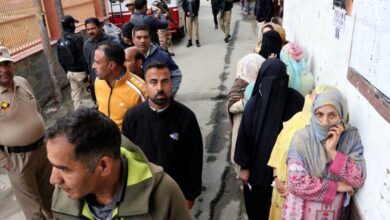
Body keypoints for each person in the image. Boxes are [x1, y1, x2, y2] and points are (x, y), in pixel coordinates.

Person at [46, 108, 191, 220]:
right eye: (53, 165)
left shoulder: (162, 194)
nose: (53, 180)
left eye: (63, 169)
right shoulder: (64, 195)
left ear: (103, 166)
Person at [122, 62, 203, 209]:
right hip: (143, 193)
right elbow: (127, 157)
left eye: (165, 81)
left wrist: (190, 195)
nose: (159, 88)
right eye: (153, 82)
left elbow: (194, 159)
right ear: (145, 85)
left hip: (175, 194)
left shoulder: (186, 117)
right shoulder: (132, 118)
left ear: (171, 83)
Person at [234, 58, 304, 220]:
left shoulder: (296, 102)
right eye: (271, 82)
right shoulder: (253, 105)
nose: (275, 88)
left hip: (285, 176)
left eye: (280, 82)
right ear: (261, 80)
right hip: (257, 173)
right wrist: (244, 167)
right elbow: (244, 138)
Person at [283, 89, 366, 219]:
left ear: (342, 115)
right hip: (301, 213)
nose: (325, 122)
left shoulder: (350, 138)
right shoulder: (301, 139)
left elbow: (357, 179)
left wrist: (333, 152)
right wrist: (337, 186)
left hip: (335, 213)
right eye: (319, 114)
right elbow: (295, 183)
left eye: (332, 115)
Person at [267, 86, 337, 220]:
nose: (308, 96)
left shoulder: (325, 138)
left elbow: (320, 175)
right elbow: (278, 146)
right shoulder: (297, 118)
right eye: (310, 92)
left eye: (313, 95)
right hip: (280, 191)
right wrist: (276, 177)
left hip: (300, 204)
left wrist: (293, 190)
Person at [0, 46, 53, 219]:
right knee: (34, 210)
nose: (4, 70)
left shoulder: (22, 82)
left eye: (7, 64)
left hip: (42, 150)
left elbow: (36, 109)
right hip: (17, 160)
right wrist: (4, 161)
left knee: (53, 198)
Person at [93, 42, 147, 129]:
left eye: (97, 62)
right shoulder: (98, 81)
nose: (93, 66)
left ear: (112, 65)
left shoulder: (140, 90)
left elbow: (147, 124)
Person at [227, 53, 265, 176]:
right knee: (241, 148)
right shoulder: (240, 84)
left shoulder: (259, 85)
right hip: (241, 123)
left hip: (250, 126)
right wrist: (246, 103)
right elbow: (232, 105)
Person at [133, 25, 182, 96]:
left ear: (150, 38)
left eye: (145, 37)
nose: (142, 41)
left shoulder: (163, 56)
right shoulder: (128, 57)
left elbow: (176, 75)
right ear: (133, 39)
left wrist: (169, 95)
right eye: (139, 37)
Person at [57, 15, 86, 110]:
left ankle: (78, 118)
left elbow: (60, 60)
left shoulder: (59, 41)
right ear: (71, 24)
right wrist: (88, 72)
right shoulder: (77, 38)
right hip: (81, 73)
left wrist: (67, 71)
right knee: (94, 92)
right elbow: (82, 56)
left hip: (70, 73)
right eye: (74, 23)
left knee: (76, 97)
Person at [83, 17, 115, 102]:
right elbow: (87, 62)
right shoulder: (87, 45)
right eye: (88, 29)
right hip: (96, 81)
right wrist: (89, 75)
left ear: (100, 27)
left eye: (93, 28)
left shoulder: (111, 40)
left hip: (111, 80)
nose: (90, 31)